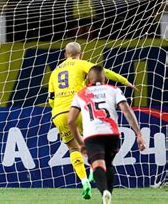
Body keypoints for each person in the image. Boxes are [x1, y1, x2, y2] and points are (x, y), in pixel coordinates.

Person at [47, 42, 137, 200]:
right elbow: (104, 72)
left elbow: (50, 99)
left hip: (60, 113)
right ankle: (92, 173)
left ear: (65, 55)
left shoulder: (54, 72)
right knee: (91, 143)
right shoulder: (81, 63)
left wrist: (58, 109)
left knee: (73, 148)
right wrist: (125, 81)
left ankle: (84, 182)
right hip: (80, 109)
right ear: (80, 54)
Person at [68, 65, 146, 204]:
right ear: (104, 78)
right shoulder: (114, 90)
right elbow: (126, 111)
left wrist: (80, 143)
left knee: (97, 164)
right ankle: (108, 196)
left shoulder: (81, 94)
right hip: (112, 134)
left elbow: (71, 120)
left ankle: (104, 191)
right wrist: (138, 134)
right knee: (109, 164)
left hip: (92, 135)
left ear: (87, 79)